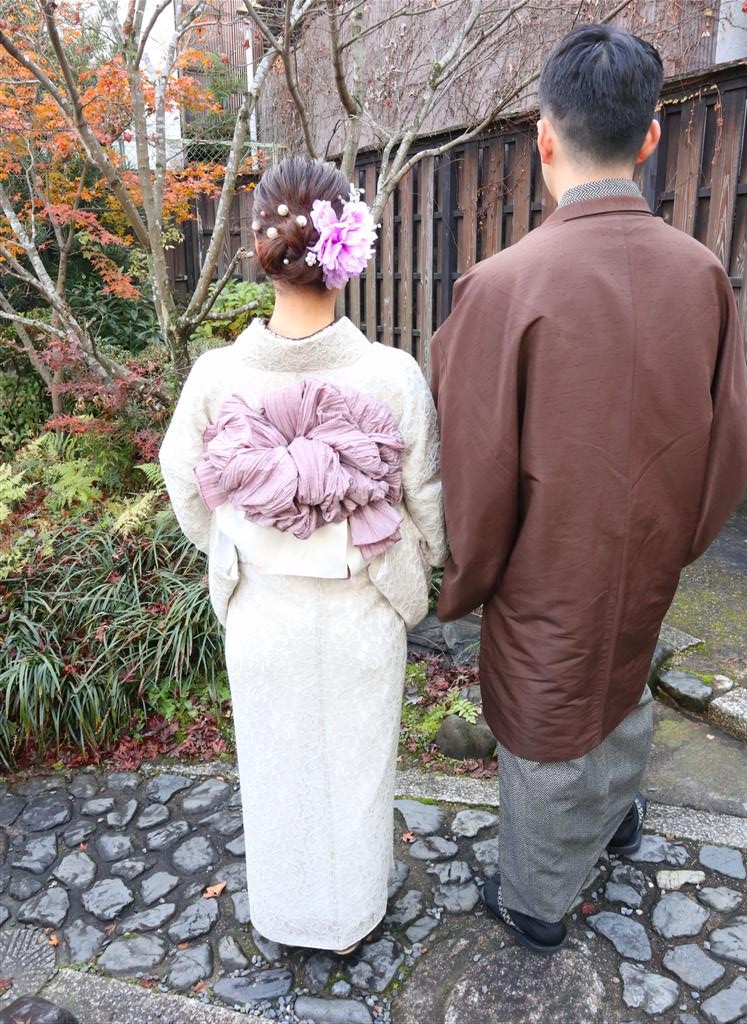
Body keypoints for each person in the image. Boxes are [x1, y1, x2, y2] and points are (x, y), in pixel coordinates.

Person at [431, 24, 747, 955]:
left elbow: (475, 469)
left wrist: (470, 576)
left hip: (542, 562)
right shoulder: (701, 275)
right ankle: (616, 819)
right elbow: (728, 441)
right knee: (620, 679)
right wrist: (677, 538)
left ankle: (536, 900)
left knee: (544, 721)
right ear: (648, 138)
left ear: (543, 136)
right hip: (649, 546)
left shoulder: (500, 285)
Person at [160, 157, 446, 953]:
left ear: (261, 248)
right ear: (348, 251)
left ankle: (286, 916)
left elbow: (184, 481)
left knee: (276, 764)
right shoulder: (390, 374)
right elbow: (425, 497)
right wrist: (410, 564)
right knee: (355, 766)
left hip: (262, 609)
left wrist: (234, 544)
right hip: (360, 608)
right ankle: (349, 917)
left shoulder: (217, 376)